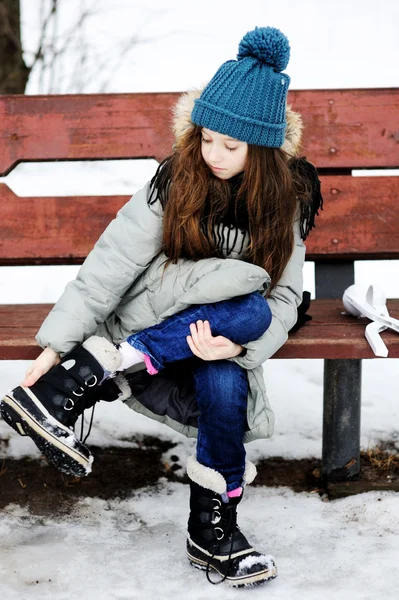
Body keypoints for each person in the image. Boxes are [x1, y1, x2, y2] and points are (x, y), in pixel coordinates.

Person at [0, 26, 322, 587]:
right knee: (247, 300)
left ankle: (212, 532)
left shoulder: (286, 201)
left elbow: (288, 298)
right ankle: (99, 365)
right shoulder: (176, 180)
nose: (214, 155)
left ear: (264, 148)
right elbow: (112, 263)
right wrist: (58, 344)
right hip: (150, 319)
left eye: (232, 145)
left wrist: (240, 344)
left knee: (239, 341)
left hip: (207, 341)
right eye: (207, 138)